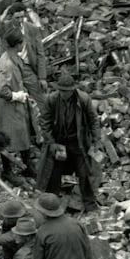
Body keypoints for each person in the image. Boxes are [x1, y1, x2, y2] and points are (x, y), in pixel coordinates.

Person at [37, 73, 102, 214]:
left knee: (84, 172)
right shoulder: (52, 100)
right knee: (54, 173)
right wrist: (51, 143)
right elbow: (45, 122)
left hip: (78, 141)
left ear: (73, 90)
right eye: (61, 90)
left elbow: (93, 120)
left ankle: (90, 204)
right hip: (59, 141)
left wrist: (96, 139)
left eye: (66, 91)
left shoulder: (83, 99)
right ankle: (50, 203)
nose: (64, 94)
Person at [0, 24, 37, 184]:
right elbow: (2, 90)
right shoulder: (7, 64)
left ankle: (27, 166)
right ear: (18, 44)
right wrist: (17, 96)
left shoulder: (14, 57)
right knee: (7, 139)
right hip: (8, 109)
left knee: (23, 135)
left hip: (16, 106)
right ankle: (7, 171)